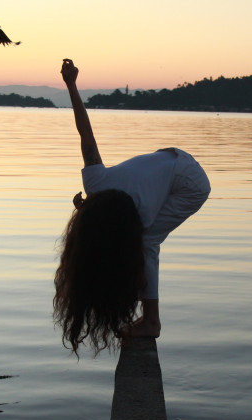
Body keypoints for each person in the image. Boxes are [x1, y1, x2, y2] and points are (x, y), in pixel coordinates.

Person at [54, 59, 210, 355]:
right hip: (171, 160)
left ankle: (152, 322)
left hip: (191, 183)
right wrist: (71, 84)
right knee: (135, 243)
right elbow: (86, 135)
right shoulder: (96, 182)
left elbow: (119, 239)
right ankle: (148, 315)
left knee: (146, 242)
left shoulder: (139, 213)